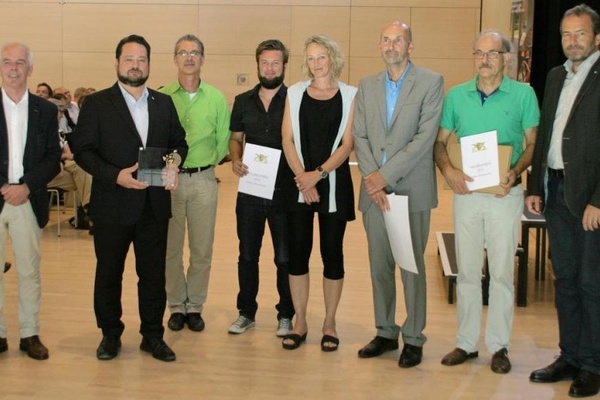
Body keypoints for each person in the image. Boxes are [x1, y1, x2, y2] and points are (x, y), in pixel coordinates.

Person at [71, 34, 188, 362]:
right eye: (129, 59)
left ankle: (153, 335)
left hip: (154, 207)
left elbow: (179, 143)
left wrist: (175, 165)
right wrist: (115, 175)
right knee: (109, 272)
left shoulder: (163, 103)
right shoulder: (96, 104)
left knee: (152, 275)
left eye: (142, 60)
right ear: (117, 63)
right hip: (112, 205)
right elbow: (82, 150)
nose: (136, 65)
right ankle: (110, 334)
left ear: (149, 64)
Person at [434, 30, 539, 374]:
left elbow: (532, 143)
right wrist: (449, 170)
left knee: (502, 274)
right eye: (479, 53)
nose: (484, 60)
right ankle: (465, 343)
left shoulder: (524, 94)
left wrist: (515, 171)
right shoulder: (456, 95)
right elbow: (440, 142)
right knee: (466, 271)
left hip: (504, 195)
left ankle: (499, 346)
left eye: (492, 54)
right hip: (467, 196)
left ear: (506, 58)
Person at [354, 21, 444, 368]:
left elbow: (424, 139)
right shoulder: (367, 85)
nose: (392, 46)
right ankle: (386, 331)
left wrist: (383, 177)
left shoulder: (431, 82)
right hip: (374, 193)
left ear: (410, 45)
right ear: (379, 46)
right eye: (387, 40)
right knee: (380, 267)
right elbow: (359, 137)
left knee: (411, 268)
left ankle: (415, 336)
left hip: (411, 189)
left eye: (399, 40)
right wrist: (372, 179)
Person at [527, 4, 600, 397]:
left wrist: (599, 201)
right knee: (566, 281)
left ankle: (593, 364)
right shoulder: (556, 76)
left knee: (592, 283)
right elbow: (546, 134)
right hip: (555, 191)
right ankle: (569, 355)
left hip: (590, 199)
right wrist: (535, 186)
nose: (572, 42)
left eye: (581, 34)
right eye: (567, 35)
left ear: (597, 37)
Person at [280, 34, 356, 352]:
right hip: (299, 185)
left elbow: (348, 144)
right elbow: (287, 140)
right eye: (310, 58)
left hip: (333, 184)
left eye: (321, 56)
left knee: (332, 255)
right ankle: (300, 321)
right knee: (297, 256)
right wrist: (303, 179)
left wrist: (318, 175)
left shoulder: (351, 95)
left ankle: (329, 322)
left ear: (333, 57)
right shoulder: (295, 93)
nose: (316, 63)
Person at [159, 34, 230, 332]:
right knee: (171, 248)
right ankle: (176, 304)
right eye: (183, 52)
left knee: (202, 248)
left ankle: (195, 305)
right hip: (169, 182)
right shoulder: (161, 96)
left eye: (195, 52)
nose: (189, 57)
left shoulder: (216, 98)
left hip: (203, 180)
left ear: (203, 58)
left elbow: (223, 140)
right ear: (175, 58)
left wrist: (205, 164)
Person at [227, 39, 295, 336]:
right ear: (257, 65)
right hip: (251, 191)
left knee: (285, 257)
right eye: (265, 62)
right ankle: (246, 312)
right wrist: (235, 158)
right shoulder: (242, 101)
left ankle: (286, 314)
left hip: (285, 192)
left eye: (275, 63)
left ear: (284, 66)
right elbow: (235, 138)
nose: (270, 68)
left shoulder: (296, 99)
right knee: (247, 255)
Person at [0, 42, 61, 360]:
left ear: (30, 68)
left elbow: (54, 159)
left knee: (29, 271)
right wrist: (4, 187)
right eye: (7, 62)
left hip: (28, 199)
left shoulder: (46, 110)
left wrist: (26, 186)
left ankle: (29, 333)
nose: (13, 68)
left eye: (20, 62)